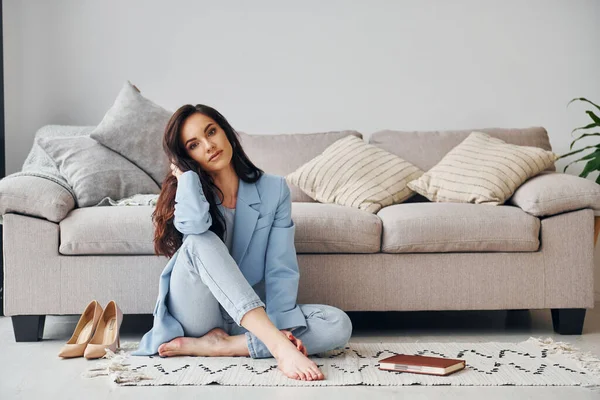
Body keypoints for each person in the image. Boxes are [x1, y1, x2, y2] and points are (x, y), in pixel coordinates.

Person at [132, 104, 353, 381]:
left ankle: (223, 346)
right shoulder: (191, 191)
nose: (209, 145)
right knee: (201, 239)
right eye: (194, 145)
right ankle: (276, 346)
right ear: (185, 156)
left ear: (226, 132)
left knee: (336, 324)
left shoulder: (274, 189)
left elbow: (280, 266)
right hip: (199, 312)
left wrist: (281, 320)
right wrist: (186, 177)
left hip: (251, 319)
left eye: (211, 132)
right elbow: (194, 227)